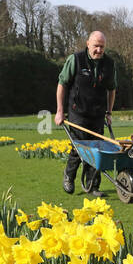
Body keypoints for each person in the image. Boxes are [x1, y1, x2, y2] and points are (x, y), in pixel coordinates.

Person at [55, 31, 117, 195]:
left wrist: (109, 112)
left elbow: (112, 90)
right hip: (78, 112)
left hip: (97, 114)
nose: (99, 50)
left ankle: (93, 186)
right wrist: (60, 111)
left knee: (97, 149)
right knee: (79, 147)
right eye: (96, 46)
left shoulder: (109, 64)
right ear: (88, 43)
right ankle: (69, 176)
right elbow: (62, 84)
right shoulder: (75, 59)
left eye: (102, 47)